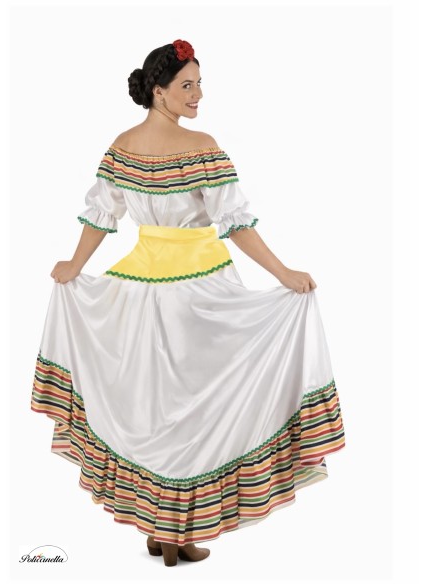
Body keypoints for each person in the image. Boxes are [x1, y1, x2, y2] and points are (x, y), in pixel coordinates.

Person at [31, 39, 346, 568]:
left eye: (199, 84)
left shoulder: (123, 146)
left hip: (136, 291)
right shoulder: (200, 146)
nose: (198, 95)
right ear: (159, 91)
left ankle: (159, 530)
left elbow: (101, 216)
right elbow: (236, 225)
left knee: (150, 408)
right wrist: (283, 274)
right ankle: (178, 531)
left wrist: (74, 266)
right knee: (198, 411)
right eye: (187, 85)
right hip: (200, 294)